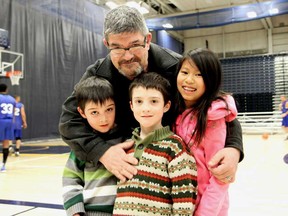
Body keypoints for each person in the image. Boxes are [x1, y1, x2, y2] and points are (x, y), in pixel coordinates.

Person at [59, 5, 243, 184]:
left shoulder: (178, 68)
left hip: (173, 170)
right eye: (117, 48)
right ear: (106, 44)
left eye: (134, 45)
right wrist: (102, 152)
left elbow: (216, 104)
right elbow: (69, 121)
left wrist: (234, 148)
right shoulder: (97, 74)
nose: (127, 56)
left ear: (148, 39)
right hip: (123, 175)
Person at [113, 72, 197, 215]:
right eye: (139, 101)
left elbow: (184, 203)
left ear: (166, 105)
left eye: (154, 101)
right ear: (131, 106)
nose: (146, 108)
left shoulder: (175, 147)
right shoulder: (125, 147)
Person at [173, 48, 238, 216]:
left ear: (211, 80)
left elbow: (219, 177)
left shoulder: (212, 118)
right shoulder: (174, 110)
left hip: (207, 208)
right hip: (181, 205)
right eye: (185, 72)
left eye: (199, 75)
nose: (189, 80)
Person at [62, 76, 125, 215]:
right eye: (94, 112)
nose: (103, 119)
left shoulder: (128, 138)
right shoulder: (82, 146)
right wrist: (75, 211)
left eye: (109, 109)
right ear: (82, 112)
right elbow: (70, 180)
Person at [0, 83, 16, 172]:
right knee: (6, 144)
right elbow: (13, 113)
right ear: (6, 89)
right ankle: (3, 166)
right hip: (9, 122)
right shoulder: (12, 99)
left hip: (1, 120)